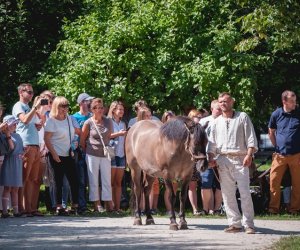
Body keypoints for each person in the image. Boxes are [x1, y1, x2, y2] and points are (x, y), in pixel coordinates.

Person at [207, 92, 257, 234]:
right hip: (222, 159)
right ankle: (235, 223)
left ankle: (249, 224)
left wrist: (249, 155)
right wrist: (211, 158)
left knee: (245, 192)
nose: (223, 103)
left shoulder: (242, 117)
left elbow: (251, 139)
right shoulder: (216, 122)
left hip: (241, 158)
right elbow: (211, 144)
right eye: (221, 101)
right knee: (227, 194)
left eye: (226, 101)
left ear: (232, 102)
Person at [44, 96, 79, 215]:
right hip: (56, 154)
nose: (65, 108)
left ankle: (75, 205)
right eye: (62, 106)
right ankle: (59, 206)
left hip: (68, 153)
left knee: (74, 180)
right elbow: (47, 139)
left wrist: (74, 144)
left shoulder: (69, 119)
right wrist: (53, 154)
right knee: (57, 181)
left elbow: (73, 134)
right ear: (55, 106)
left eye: (66, 106)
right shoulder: (51, 121)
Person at [12, 83, 43, 217]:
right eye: (28, 92)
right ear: (21, 92)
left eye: (32, 92)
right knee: (24, 178)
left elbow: (33, 126)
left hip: (34, 145)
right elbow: (24, 120)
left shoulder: (29, 107)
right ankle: (21, 208)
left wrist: (38, 124)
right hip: (26, 145)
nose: (31, 94)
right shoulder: (18, 106)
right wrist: (35, 108)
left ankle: (30, 208)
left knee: (32, 179)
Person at [268, 90, 300, 215]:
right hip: (279, 155)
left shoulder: (299, 112)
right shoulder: (276, 114)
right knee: (274, 181)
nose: (294, 103)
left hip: (297, 154)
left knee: (297, 183)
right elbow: (271, 130)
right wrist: (277, 146)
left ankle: (295, 209)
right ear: (284, 101)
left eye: (295, 101)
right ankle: (273, 209)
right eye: (292, 101)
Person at [80, 98, 114, 212]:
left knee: (106, 179)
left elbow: (109, 136)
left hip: (105, 154)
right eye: (96, 108)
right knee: (93, 180)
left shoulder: (108, 121)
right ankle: (97, 204)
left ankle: (108, 203)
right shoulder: (88, 122)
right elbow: (82, 140)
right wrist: (88, 150)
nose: (99, 110)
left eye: (101, 107)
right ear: (92, 109)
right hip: (92, 154)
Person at [72, 92, 94, 214]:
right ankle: (81, 205)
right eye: (87, 101)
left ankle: (91, 204)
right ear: (81, 103)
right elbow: (77, 135)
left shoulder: (93, 117)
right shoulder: (73, 117)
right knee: (80, 180)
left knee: (89, 180)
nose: (90, 103)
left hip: (92, 151)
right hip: (79, 152)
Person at [199, 100, 223, 215]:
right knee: (206, 183)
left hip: (222, 157)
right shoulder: (203, 121)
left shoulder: (226, 121)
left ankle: (217, 209)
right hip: (207, 157)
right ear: (212, 108)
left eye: (221, 109)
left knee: (221, 184)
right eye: (218, 108)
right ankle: (206, 209)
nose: (220, 111)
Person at [0, 115, 23, 218]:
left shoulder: (18, 135)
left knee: (16, 188)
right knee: (7, 187)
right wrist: (8, 134)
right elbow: (11, 148)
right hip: (9, 162)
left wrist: (24, 152)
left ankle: (16, 211)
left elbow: (20, 148)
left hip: (17, 162)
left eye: (16, 123)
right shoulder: (3, 136)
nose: (15, 125)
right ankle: (4, 211)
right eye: (13, 123)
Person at [107, 101, 127, 212]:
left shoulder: (123, 123)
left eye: (123, 110)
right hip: (111, 153)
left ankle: (117, 207)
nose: (122, 112)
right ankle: (110, 206)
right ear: (113, 110)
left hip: (121, 154)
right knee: (110, 182)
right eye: (120, 109)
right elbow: (107, 136)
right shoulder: (108, 121)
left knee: (118, 183)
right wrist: (118, 134)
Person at [161, 111, 179, 215]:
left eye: (172, 117)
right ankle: (169, 209)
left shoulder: (177, 131)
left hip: (175, 163)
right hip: (165, 163)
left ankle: (172, 207)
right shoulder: (162, 132)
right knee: (168, 187)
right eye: (168, 117)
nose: (171, 119)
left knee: (175, 187)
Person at [187, 109, 202, 215]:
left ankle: (195, 208)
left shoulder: (200, 129)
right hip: (188, 160)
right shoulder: (187, 129)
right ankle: (194, 209)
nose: (200, 119)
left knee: (194, 184)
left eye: (200, 117)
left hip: (199, 159)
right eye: (198, 117)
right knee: (191, 185)